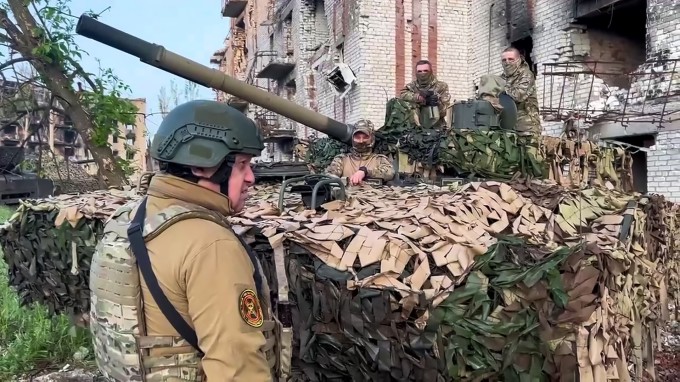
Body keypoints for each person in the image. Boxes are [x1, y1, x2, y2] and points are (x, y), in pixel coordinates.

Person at [89, 100, 281, 381]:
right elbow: (237, 369)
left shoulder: (128, 217)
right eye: (242, 164)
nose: (252, 177)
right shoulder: (211, 244)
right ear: (202, 166)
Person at [325, 119, 395, 185]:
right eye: (357, 137)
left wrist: (366, 171)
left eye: (365, 137)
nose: (361, 141)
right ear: (352, 139)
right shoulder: (342, 159)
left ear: (372, 139)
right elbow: (329, 176)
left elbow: (390, 173)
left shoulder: (379, 159)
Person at [500, 47, 541, 135]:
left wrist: (499, 89)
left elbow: (518, 96)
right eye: (504, 60)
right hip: (507, 126)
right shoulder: (501, 78)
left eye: (511, 59)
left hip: (527, 127)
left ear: (519, 59)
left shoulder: (526, 75)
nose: (507, 62)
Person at [399, 59, 451, 128]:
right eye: (419, 71)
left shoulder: (441, 86)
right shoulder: (411, 86)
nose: (422, 74)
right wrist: (419, 98)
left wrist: (436, 103)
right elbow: (402, 96)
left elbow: (445, 111)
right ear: (416, 73)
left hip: (437, 127)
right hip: (415, 127)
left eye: (425, 71)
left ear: (431, 71)